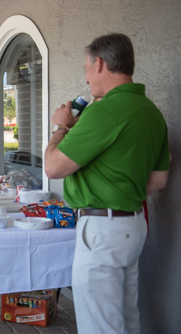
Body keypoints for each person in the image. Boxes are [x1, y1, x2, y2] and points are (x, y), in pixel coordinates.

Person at [44, 33, 170, 333]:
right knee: (126, 319)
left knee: (100, 324)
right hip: (132, 226)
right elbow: (158, 180)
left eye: (87, 69)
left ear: (99, 63)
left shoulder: (103, 112)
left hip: (102, 229)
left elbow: (52, 167)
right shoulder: (152, 112)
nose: (87, 79)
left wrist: (62, 126)